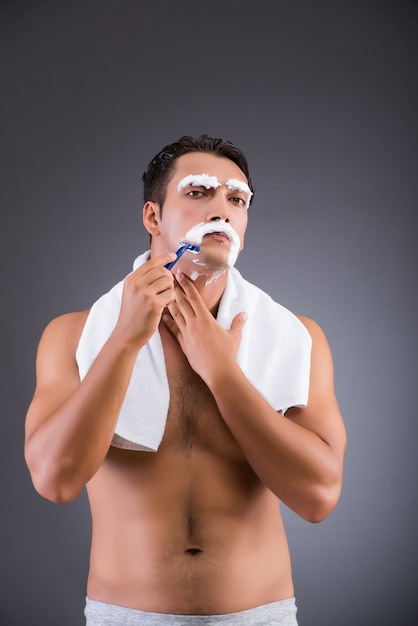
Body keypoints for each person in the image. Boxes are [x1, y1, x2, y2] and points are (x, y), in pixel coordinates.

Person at [25, 134, 347, 625]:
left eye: (237, 199)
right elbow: (54, 480)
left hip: (261, 616)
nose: (223, 209)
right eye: (199, 193)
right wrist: (125, 341)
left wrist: (221, 370)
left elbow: (319, 497)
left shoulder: (297, 339)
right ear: (153, 217)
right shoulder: (73, 336)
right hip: (125, 616)